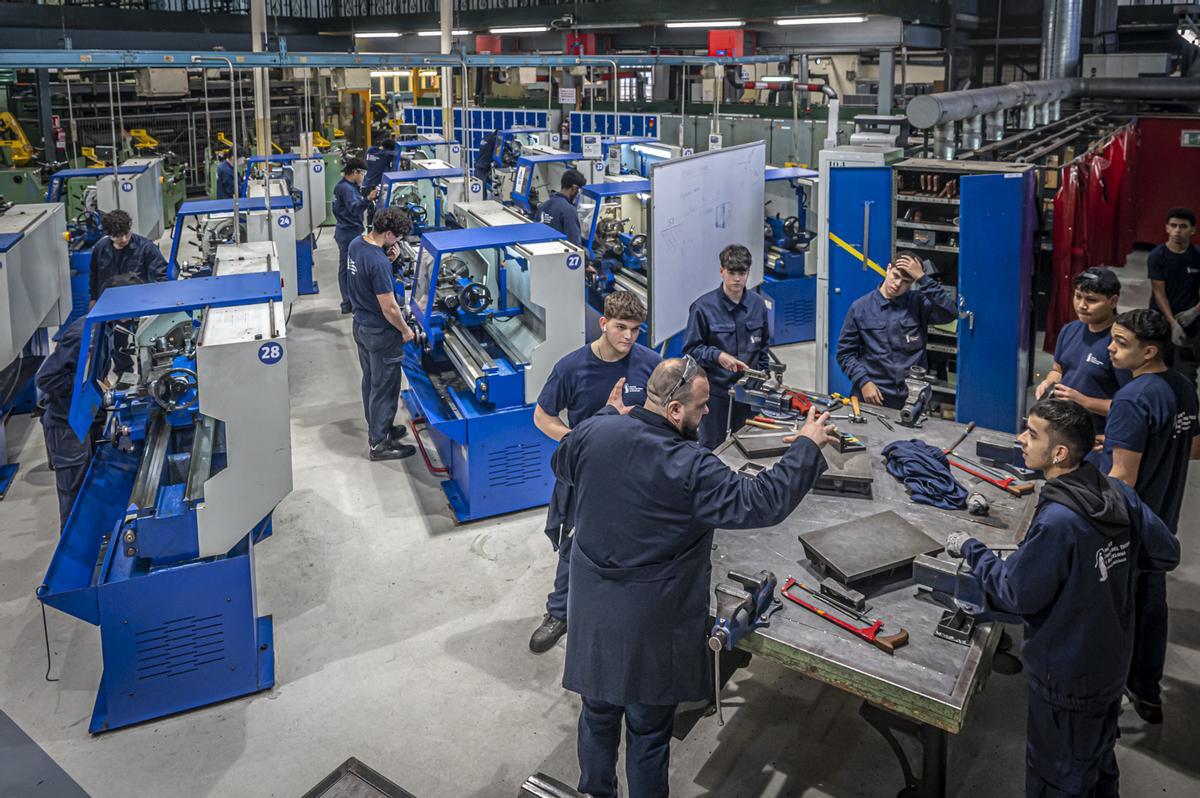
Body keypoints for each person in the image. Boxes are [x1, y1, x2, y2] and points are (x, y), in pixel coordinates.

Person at [552, 356, 836, 797]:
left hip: (592, 617)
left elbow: (564, 463)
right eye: (702, 407)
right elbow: (761, 501)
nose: (707, 413)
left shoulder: (594, 432)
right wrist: (806, 445)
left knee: (598, 713)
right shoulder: (690, 465)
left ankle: (594, 791)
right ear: (674, 411)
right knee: (647, 732)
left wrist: (609, 414)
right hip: (650, 628)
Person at [945, 400, 1180, 798]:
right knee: (1100, 765)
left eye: (1031, 434)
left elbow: (1017, 593)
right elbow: (1165, 552)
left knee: (1058, 779)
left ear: (1059, 453)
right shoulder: (1117, 492)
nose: (1021, 439)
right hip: (1109, 665)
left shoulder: (1058, 521)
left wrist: (972, 549)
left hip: (1065, 680)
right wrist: (1102, 577)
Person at [528, 291, 661, 654]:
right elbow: (542, 417)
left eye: (636, 330)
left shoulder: (649, 363)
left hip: (637, 475)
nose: (628, 337)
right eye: (621, 327)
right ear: (603, 323)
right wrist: (579, 439)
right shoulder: (572, 368)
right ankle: (559, 612)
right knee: (575, 543)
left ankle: (631, 611)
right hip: (587, 475)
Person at [1100, 308, 1199, 723]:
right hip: (1164, 520)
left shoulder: (1132, 398)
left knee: (1116, 610)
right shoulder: (1182, 385)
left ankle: (1107, 691)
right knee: (1152, 601)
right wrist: (1134, 441)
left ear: (1149, 351)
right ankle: (1148, 691)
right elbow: (1192, 447)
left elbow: (1121, 481)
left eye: (1122, 344)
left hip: (1130, 526)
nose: (1110, 348)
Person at [36, 273, 143, 528]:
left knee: (89, 489)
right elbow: (46, 379)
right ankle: (75, 560)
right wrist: (85, 388)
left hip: (84, 418)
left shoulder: (106, 328)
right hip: (66, 427)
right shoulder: (83, 334)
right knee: (74, 501)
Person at [836, 252, 957, 409]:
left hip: (911, 396)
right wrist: (863, 382)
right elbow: (845, 353)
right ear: (888, 269)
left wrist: (923, 278)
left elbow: (950, 313)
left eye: (906, 281)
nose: (897, 284)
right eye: (895, 275)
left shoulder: (919, 304)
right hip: (873, 394)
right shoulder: (860, 308)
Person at [683, 244, 772, 449]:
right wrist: (718, 356)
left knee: (749, 446)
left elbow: (763, 348)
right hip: (717, 396)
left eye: (742, 273)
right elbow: (691, 350)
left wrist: (765, 380)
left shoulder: (758, 305)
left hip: (750, 395)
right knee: (715, 447)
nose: (737, 279)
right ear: (721, 271)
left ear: (748, 273)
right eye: (731, 273)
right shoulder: (703, 308)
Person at [347, 207, 418, 461]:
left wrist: (388, 261)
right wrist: (406, 329)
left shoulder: (357, 244)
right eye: (396, 237)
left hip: (361, 325)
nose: (397, 242)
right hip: (380, 332)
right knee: (385, 387)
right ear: (388, 234)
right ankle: (379, 444)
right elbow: (389, 308)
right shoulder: (378, 262)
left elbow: (364, 275)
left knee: (371, 381)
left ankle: (381, 427)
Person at [1035, 268, 1130, 434]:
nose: (1082, 305)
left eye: (1091, 300)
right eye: (1078, 296)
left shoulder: (1121, 344)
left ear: (1113, 301)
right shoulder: (1069, 330)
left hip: (1097, 435)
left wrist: (1084, 402)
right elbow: (1058, 370)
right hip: (1064, 428)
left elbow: (1131, 407)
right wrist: (1048, 383)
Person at [89, 209, 168, 375]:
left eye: (126, 233)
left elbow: (163, 278)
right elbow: (95, 274)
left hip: (142, 306)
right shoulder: (100, 249)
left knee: (147, 343)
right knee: (116, 345)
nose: (124, 239)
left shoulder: (147, 248)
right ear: (109, 234)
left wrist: (156, 306)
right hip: (114, 308)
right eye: (118, 236)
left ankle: (148, 375)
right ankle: (124, 374)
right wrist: (94, 298)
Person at [1147, 207, 1200, 385]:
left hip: (1190, 322)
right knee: (1158, 368)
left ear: (1192, 230)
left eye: (1183, 226)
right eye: (1174, 225)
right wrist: (1172, 322)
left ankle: (1185, 410)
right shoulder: (1157, 256)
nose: (1178, 230)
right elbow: (1158, 291)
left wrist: (1195, 311)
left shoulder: (1197, 256)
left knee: (1186, 373)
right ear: (1167, 228)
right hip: (1160, 319)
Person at [334, 157, 379, 315]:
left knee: (348, 266)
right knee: (348, 268)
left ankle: (350, 301)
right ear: (355, 172)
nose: (364, 177)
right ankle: (348, 303)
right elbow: (354, 208)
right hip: (348, 232)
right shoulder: (346, 189)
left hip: (347, 230)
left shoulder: (345, 186)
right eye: (363, 174)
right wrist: (368, 199)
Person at [536, 168, 587, 245]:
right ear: (573, 188)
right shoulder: (569, 210)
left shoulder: (543, 205)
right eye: (579, 191)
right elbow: (574, 243)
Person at [364, 138, 395, 227]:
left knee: (370, 211)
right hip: (376, 187)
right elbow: (395, 154)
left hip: (366, 185)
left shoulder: (370, 151)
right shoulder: (386, 155)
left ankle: (370, 228)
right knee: (379, 212)